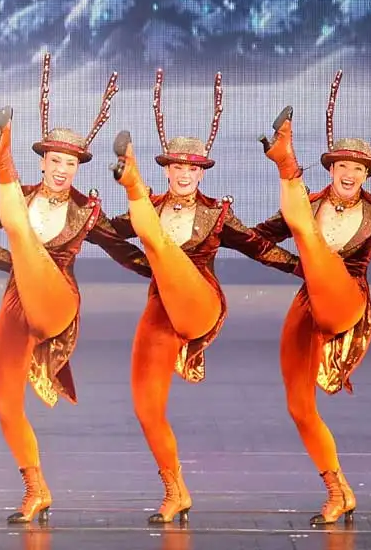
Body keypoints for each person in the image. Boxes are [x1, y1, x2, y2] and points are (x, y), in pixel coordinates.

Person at [0, 54, 149, 523]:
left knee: (19, 229)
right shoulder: (20, 201)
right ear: (43, 163)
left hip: (58, 298)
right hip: (18, 300)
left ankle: (2, 160)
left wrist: (163, 271)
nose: (63, 170)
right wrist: (5, 261)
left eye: (71, 163)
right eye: (56, 161)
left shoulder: (84, 211)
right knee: (4, 404)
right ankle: (36, 488)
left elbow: (122, 249)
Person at [106, 70, 295, 524]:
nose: (185, 175)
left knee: (160, 243)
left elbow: (259, 247)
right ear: (167, 170)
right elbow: (104, 236)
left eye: (193, 168)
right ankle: (175, 490)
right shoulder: (149, 211)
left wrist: (306, 269)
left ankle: (128, 180)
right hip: (160, 308)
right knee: (145, 407)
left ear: (200, 172)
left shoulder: (215, 215)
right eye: (178, 167)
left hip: (199, 302)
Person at [254, 72, 371, 525]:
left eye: (359, 168)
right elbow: (257, 240)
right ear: (332, 170)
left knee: (319, 252)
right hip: (308, 302)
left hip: (347, 299)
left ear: (366, 174)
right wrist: (296, 266)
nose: (350, 174)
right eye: (343, 166)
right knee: (299, 407)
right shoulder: (311, 205)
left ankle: (285, 161)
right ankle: (338, 490)